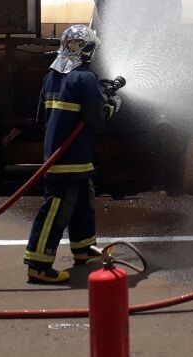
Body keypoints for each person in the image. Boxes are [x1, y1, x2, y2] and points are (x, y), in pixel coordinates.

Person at [24, 24, 122, 284]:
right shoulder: (85, 78)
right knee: (56, 208)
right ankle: (38, 263)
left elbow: (40, 119)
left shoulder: (51, 77)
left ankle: (84, 251)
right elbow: (97, 122)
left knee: (81, 205)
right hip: (71, 156)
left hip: (60, 156)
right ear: (86, 50)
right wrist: (112, 105)